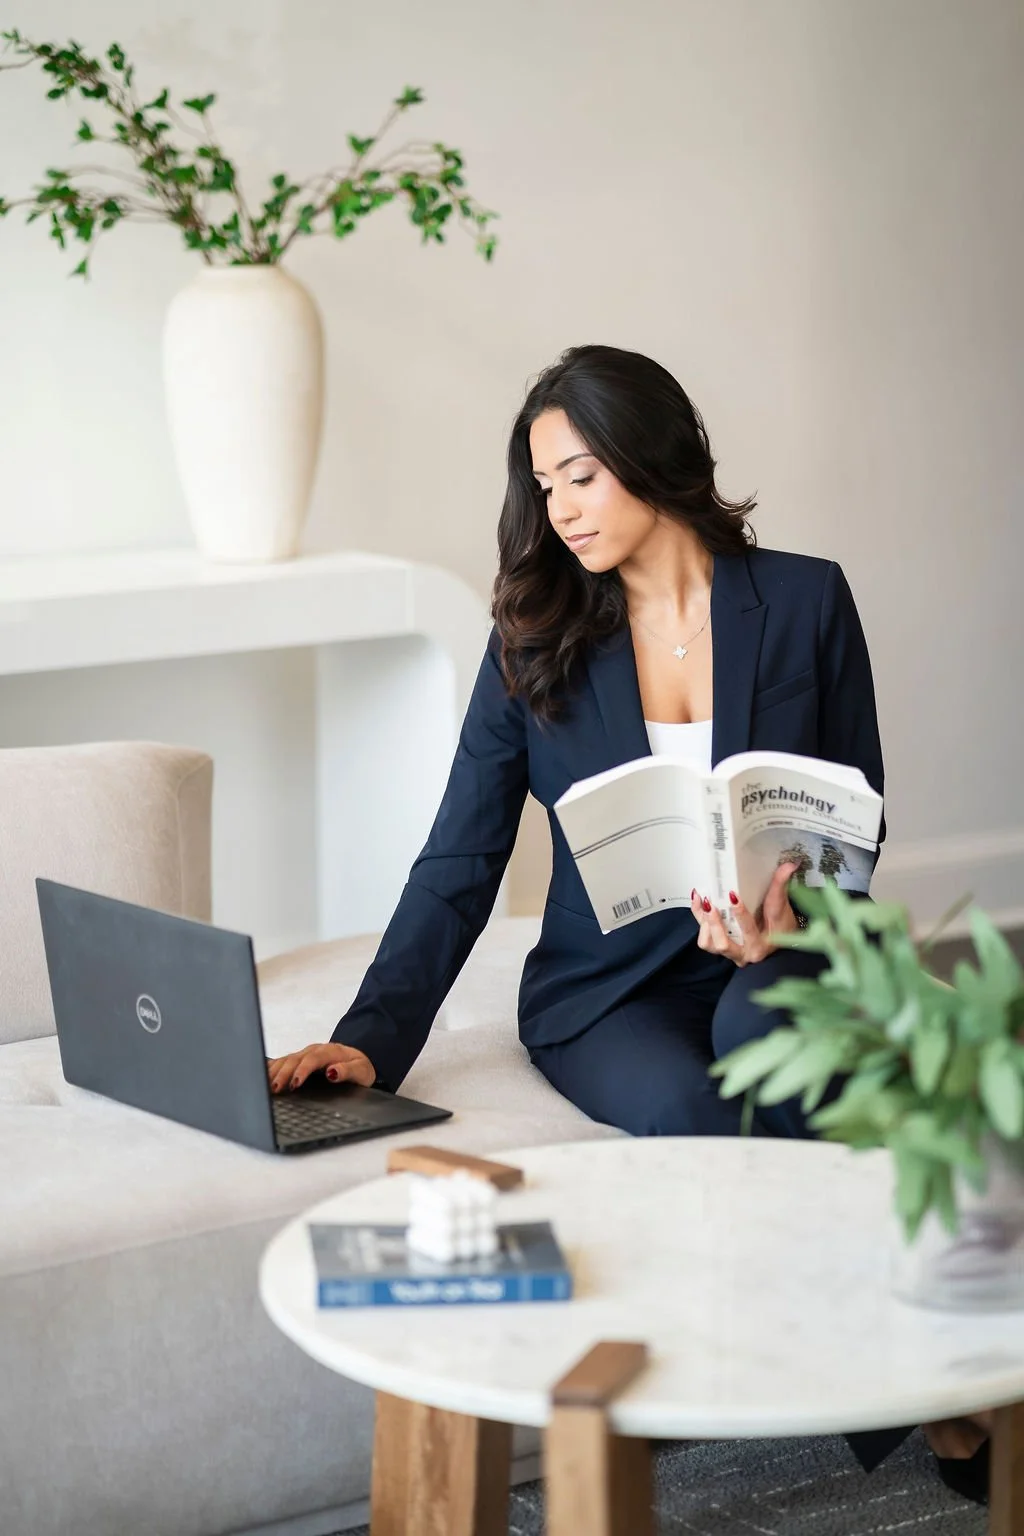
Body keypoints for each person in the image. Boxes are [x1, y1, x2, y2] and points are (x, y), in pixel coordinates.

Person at [267, 344, 989, 1499]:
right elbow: (462, 854)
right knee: (693, 1110)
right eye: (544, 486)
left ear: (654, 457)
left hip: (776, 953)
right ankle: (935, 1394)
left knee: (772, 1046)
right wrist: (371, 1036)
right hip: (608, 992)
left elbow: (855, 822)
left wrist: (793, 910)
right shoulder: (531, 634)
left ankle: (887, 1383)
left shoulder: (806, 598)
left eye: (583, 477)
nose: (560, 511)